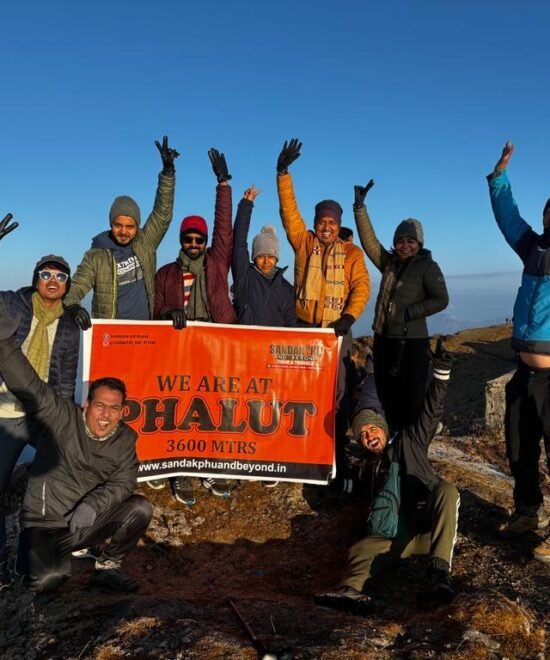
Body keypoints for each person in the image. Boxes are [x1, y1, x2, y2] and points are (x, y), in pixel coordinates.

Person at [0, 298, 152, 594]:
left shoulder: (124, 440)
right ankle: (40, 559)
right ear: (86, 405)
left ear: (122, 411)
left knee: (140, 509)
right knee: (47, 582)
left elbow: (124, 481)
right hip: (44, 523)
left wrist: (92, 507)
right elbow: (29, 385)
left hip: (83, 523)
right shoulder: (62, 418)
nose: (105, 414)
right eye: (100, 405)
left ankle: (107, 566)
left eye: (114, 408)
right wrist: (4, 343)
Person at [316, 339, 459, 614]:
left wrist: (440, 375)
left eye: (372, 429)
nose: (369, 436)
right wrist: (333, 479)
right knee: (361, 549)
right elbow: (353, 488)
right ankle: (350, 591)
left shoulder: (410, 441)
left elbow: (430, 412)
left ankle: (439, 574)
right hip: (395, 537)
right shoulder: (368, 468)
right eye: (363, 435)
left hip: (428, 529)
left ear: (382, 426)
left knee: (447, 491)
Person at [276, 139, 371, 470]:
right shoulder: (304, 244)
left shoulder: (351, 254)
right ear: (316, 224)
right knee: (301, 389)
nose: (326, 226)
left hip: (336, 332)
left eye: (331, 222)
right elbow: (289, 214)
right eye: (321, 221)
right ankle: (299, 443)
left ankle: (335, 449)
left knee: (338, 392)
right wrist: (283, 174)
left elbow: (361, 287)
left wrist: (349, 316)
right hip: (304, 329)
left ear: (338, 224)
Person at [154, 148, 236, 502]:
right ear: (181, 241)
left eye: (198, 239)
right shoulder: (166, 273)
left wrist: (223, 185)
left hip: (216, 341)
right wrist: (167, 314)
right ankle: (182, 470)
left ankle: (213, 467)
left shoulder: (217, 263)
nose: (193, 243)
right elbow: (155, 309)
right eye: (188, 238)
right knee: (182, 407)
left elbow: (224, 229)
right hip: (180, 345)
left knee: (216, 404)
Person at [0, 255, 81, 590]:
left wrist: (63, 428)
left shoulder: (69, 325)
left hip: (40, 415)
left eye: (60, 277)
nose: (52, 280)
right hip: (5, 414)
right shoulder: (13, 304)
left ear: (66, 287)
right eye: (46, 274)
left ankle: (31, 561)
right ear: (36, 279)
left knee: (60, 477)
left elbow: (65, 379)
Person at [487, 141, 550, 563]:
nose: (549, 217)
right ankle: (528, 512)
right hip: (522, 371)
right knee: (519, 447)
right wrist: (500, 176)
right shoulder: (533, 247)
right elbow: (509, 218)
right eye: (549, 211)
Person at [353, 179, 449, 430]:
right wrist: (360, 208)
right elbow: (370, 242)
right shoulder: (389, 264)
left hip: (413, 344)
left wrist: (410, 312)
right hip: (384, 340)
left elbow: (442, 299)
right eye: (400, 241)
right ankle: (392, 455)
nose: (405, 245)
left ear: (419, 244)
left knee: (412, 402)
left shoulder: (428, 267)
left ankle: (409, 457)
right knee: (388, 399)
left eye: (411, 241)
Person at [63, 135, 178, 326]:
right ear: (111, 224)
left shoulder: (146, 241)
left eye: (130, 226)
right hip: (112, 337)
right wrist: (73, 306)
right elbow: (75, 288)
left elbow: (162, 213)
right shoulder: (95, 256)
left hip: (145, 334)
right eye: (118, 225)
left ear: (137, 226)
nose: (123, 231)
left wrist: (168, 173)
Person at [232, 185, 296, 327]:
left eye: (271, 257)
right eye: (261, 256)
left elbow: (291, 326)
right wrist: (246, 205)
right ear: (254, 257)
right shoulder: (244, 276)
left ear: (277, 259)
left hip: (272, 348)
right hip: (244, 345)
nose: (266, 261)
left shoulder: (287, 289)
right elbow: (239, 242)